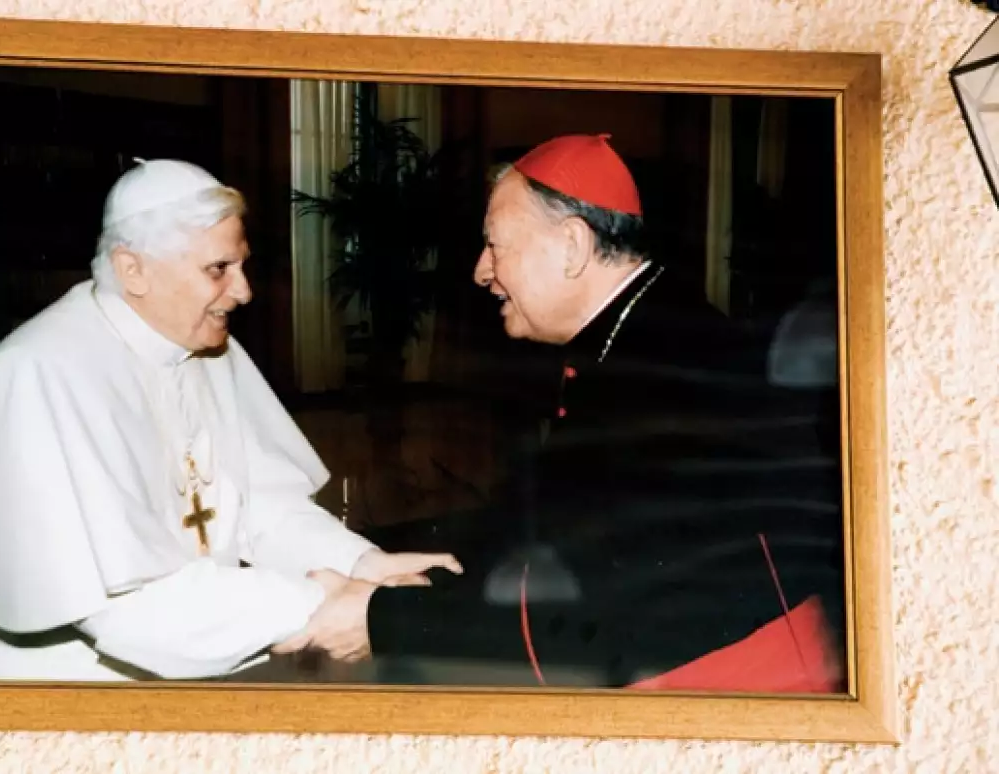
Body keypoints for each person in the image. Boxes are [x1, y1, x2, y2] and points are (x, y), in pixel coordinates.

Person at [277, 134, 848, 693]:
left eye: (495, 244)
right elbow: (556, 525)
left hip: (727, 688)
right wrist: (425, 569)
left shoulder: (654, 379)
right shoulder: (645, 335)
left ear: (572, 246)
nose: (481, 270)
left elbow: (581, 619)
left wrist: (380, 621)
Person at [0, 159, 460, 681]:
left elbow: (264, 509)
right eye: (218, 269)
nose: (243, 291)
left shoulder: (201, 342)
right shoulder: (42, 374)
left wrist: (363, 564)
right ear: (133, 269)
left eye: (242, 265)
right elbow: (125, 607)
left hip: (187, 655)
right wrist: (324, 604)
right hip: (66, 686)